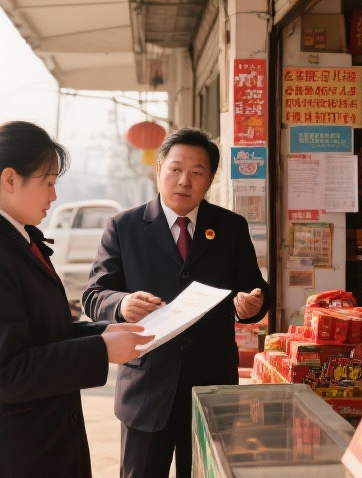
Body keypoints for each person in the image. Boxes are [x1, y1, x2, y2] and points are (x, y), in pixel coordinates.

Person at [0, 121, 153, 478]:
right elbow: (6, 372)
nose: (54, 195)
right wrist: (102, 350)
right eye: (48, 182)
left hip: (33, 448)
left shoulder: (11, 241)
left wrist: (108, 332)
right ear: (11, 179)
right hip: (3, 458)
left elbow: (45, 334)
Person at [83, 127, 270, 478]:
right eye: (175, 169)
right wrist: (122, 304)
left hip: (211, 386)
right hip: (147, 389)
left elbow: (254, 289)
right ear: (159, 170)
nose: (184, 181)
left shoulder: (230, 227)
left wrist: (251, 305)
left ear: (210, 179)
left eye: (197, 173)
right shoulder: (124, 227)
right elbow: (94, 295)